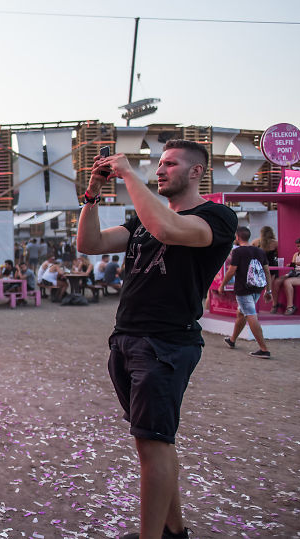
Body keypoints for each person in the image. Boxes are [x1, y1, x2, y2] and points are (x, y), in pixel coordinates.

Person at [76, 139, 237, 539]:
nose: (160, 170)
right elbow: (89, 244)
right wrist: (92, 195)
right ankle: (174, 530)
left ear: (196, 171)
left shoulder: (216, 217)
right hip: (126, 338)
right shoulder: (140, 222)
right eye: (158, 164)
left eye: (170, 164)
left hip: (166, 343)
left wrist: (128, 173)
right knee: (153, 444)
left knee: (153, 443)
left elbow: (167, 228)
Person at [218, 226, 273, 357]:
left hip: (243, 289)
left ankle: (264, 349)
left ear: (237, 237)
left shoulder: (238, 252)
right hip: (257, 288)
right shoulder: (259, 251)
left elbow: (231, 270)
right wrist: (268, 290)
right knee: (241, 313)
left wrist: (222, 285)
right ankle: (232, 340)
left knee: (250, 315)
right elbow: (267, 271)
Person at [271, 236, 300, 315]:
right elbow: (293, 264)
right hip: (294, 272)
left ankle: (290, 306)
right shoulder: (296, 254)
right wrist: (290, 265)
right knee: (277, 281)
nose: (299, 248)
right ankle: (275, 304)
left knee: (287, 282)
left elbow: (296, 264)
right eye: (298, 246)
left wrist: (296, 264)